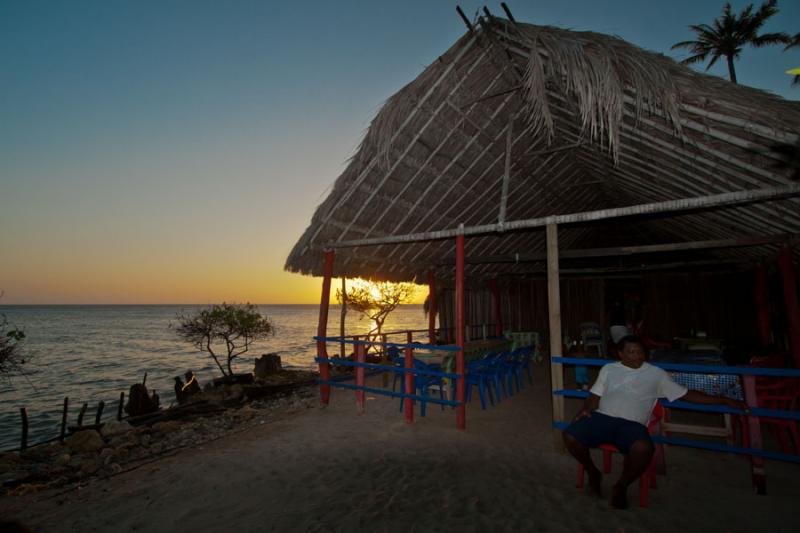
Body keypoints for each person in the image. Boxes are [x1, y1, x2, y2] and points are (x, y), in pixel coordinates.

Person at [562, 335, 749, 509]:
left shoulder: (656, 374)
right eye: (631, 352)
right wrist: (586, 408)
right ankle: (593, 473)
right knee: (570, 435)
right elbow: (594, 396)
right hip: (603, 417)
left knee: (644, 449)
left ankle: (622, 485)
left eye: (640, 352)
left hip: (631, 424)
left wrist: (723, 399)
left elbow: (686, 394)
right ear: (620, 354)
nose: (637, 356)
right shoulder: (609, 369)